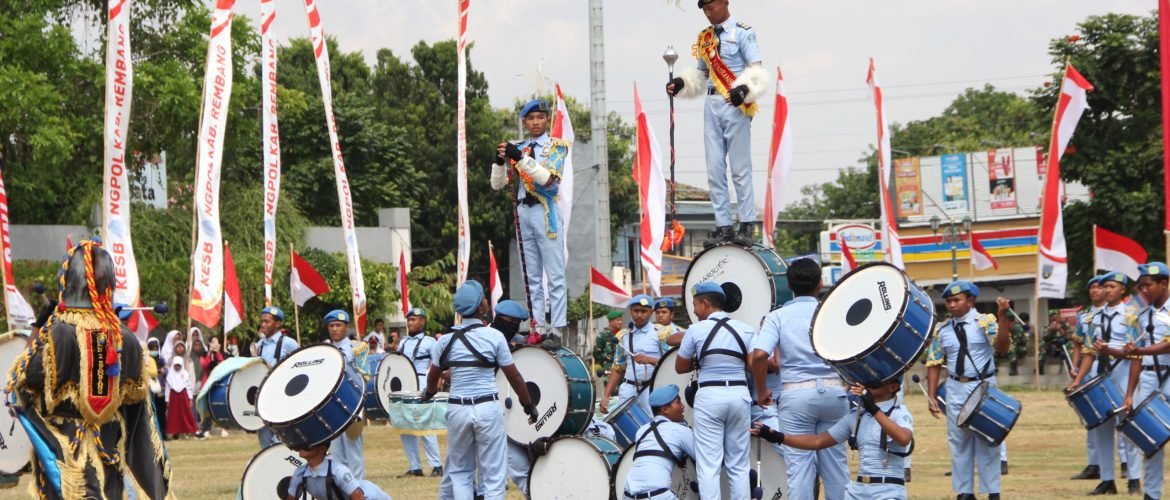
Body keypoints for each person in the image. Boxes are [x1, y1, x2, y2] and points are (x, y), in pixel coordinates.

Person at [7, 241, 171, 498]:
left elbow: (21, 378)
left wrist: (40, 327)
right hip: (107, 457)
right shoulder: (124, 338)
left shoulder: (57, 333)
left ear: (67, 283)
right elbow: (140, 417)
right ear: (109, 285)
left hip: (64, 459)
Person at [665, 0, 768, 248]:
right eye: (704, 8)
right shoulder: (705, 38)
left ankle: (746, 223)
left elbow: (756, 70)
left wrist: (744, 89)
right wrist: (681, 83)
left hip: (735, 103)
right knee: (714, 169)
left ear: (724, 2)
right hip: (711, 104)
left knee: (740, 168)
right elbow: (701, 74)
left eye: (711, 6)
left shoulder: (743, 33)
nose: (708, 12)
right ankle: (724, 226)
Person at [424, 280, 539, 500]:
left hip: (457, 408)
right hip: (487, 407)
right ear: (481, 308)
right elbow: (513, 376)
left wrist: (428, 393)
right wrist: (528, 405)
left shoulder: (445, 341)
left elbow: (433, 375)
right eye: (484, 298)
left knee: (459, 471)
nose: (487, 301)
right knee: (493, 474)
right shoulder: (494, 337)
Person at [750, 258, 848, 500]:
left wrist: (762, 390)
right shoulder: (832, 313)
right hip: (834, 392)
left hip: (796, 395)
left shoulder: (778, 316)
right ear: (820, 283)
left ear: (790, 285)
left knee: (800, 470)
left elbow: (760, 355)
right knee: (836, 470)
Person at [755, 379, 913, 500]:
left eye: (876, 381)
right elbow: (818, 441)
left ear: (892, 387)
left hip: (888, 491)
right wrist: (777, 436)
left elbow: (903, 438)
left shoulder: (899, 413)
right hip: (858, 491)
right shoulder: (857, 416)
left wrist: (874, 409)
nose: (867, 383)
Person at [925, 281, 1012, 500]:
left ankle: (992, 491)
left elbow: (1002, 347)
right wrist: (932, 395)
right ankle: (965, 492)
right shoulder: (942, 329)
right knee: (958, 441)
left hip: (983, 386)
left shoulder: (985, 322)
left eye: (957, 300)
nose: (952, 305)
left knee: (987, 439)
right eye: (948, 301)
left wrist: (1002, 317)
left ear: (970, 301)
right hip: (955, 387)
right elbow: (934, 362)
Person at [491, 99, 570, 338]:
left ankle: (556, 329)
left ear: (547, 120)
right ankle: (536, 327)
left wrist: (520, 159)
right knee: (531, 275)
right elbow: (496, 185)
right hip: (523, 212)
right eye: (530, 119)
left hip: (545, 211)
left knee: (554, 275)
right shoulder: (520, 148)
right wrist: (498, 163)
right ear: (524, 122)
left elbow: (547, 180)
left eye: (540, 118)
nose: (535, 123)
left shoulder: (557, 146)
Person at [675, 281, 756, 499]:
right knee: (739, 465)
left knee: (708, 465)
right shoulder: (746, 329)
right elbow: (753, 364)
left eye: (695, 305)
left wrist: (700, 360)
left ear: (706, 303)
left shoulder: (695, 330)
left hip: (710, 396)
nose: (693, 310)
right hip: (739, 395)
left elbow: (680, 366)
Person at [1067, 271, 1143, 495]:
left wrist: (1130, 391)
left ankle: (1134, 478)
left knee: (1127, 428)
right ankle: (1107, 480)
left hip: (1123, 373)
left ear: (1122, 290)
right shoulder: (1093, 317)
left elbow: (1136, 353)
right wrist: (1078, 380)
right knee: (1101, 428)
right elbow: (1089, 351)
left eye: (1111, 286)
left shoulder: (1132, 315)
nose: (1107, 290)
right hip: (1100, 375)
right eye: (1105, 286)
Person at [1122, 262, 1170, 500]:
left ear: (1164, 283)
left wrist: (1140, 351)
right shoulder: (1141, 313)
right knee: (1150, 438)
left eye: (1148, 285)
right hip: (1149, 377)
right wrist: (1130, 393)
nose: (1144, 291)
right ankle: (1152, 494)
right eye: (1141, 286)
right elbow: (1135, 357)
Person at [621, 384, 697, 500]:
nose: (683, 406)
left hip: (627, 495)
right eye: (678, 402)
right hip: (657, 495)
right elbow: (705, 458)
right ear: (665, 409)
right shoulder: (679, 430)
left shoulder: (641, 431)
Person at [322, 309, 370, 480]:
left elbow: (365, 375)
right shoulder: (324, 349)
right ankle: (342, 486)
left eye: (338, 325)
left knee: (353, 449)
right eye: (331, 326)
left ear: (346, 327)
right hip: (331, 405)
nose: (334, 329)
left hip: (351, 402)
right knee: (336, 451)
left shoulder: (357, 348)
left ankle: (357, 486)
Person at [397, 307, 443, 478]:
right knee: (405, 426)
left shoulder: (430, 342)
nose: (410, 323)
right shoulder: (402, 342)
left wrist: (434, 384)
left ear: (423, 321)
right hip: (404, 383)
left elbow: (438, 364)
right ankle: (414, 466)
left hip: (422, 381)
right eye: (409, 320)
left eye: (414, 319)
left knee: (425, 424)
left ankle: (437, 465)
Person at [600, 295, 664, 417]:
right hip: (628, 389)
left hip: (652, 388)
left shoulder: (661, 333)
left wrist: (649, 360)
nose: (639, 315)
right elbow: (617, 367)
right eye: (636, 311)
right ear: (630, 311)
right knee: (626, 426)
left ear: (651, 312)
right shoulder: (623, 335)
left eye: (644, 311)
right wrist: (606, 395)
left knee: (654, 425)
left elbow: (670, 364)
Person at [1070, 275, 1107, 481]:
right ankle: (1094, 463)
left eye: (1100, 287)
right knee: (1091, 418)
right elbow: (1078, 343)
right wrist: (1075, 367)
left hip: (1110, 367)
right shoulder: (1084, 316)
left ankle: (1125, 464)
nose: (1095, 291)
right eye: (1092, 287)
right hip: (1088, 369)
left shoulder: (1116, 315)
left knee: (1115, 415)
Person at [286, 441, 392, 500]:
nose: (301, 446)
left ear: (322, 449)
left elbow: (358, 497)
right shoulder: (300, 473)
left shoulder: (338, 471)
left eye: (307, 443)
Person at [257, 305, 299, 448]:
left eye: (267, 321)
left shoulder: (289, 344)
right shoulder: (259, 345)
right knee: (264, 440)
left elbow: (299, 368)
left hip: (282, 397)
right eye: (262, 321)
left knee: (281, 441)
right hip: (264, 398)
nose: (263, 325)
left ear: (278, 323)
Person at [197, 336, 228, 439]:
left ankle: (223, 428)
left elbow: (223, 365)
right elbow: (204, 365)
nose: (215, 344)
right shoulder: (204, 354)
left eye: (217, 342)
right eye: (213, 342)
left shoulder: (221, 354)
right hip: (207, 382)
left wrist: (218, 353)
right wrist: (210, 353)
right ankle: (206, 429)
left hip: (218, 384)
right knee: (206, 408)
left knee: (218, 405)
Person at [165, 347, 199, 439]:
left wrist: (190, 398)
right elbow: (168, 389)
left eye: (178, 365)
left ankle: (191, 431)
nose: (177, 367)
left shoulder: (185, 374)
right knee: (174, 415)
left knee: (186, 414)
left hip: (183, 396)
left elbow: (188, 387)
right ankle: (175, 433)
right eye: (175, 365)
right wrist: (167, 400)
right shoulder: (170, 375)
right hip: (173, 397)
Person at [594, 310, 622, 380]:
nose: (620, 322)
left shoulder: (622, 334)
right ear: (611, 321)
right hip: (609, 370)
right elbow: (597, 354)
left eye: (621, 320)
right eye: (618, 320)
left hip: (621, 370)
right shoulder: (603, 335)